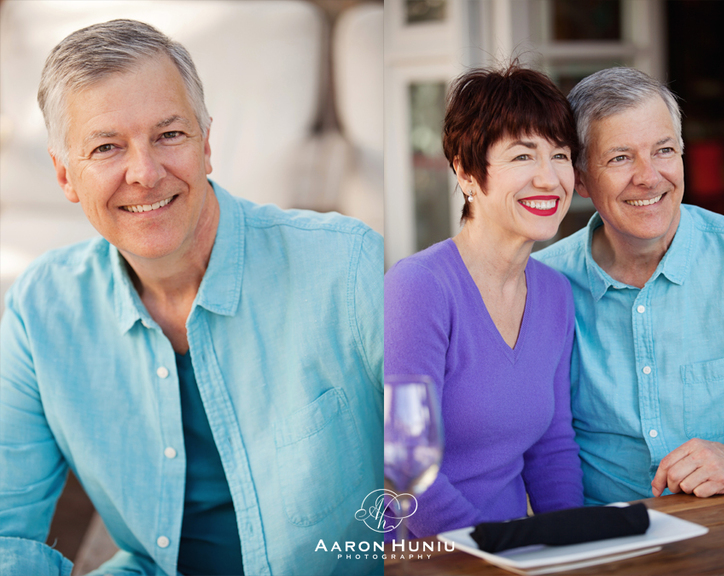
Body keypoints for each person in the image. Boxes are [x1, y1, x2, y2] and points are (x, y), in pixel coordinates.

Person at [0, 20, 383, 576]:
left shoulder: (347, 270)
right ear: (65, 175)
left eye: (169, 135)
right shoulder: (41, 313)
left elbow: (467, 461)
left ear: (206, 145)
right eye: (107, 147)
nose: (145, 173)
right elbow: (8, 533)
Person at [534, 67, 724, 506]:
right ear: (580, 178)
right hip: (602, 551)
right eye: (620, 158)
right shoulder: (540, 286)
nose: (648, 176)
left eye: (663, 150)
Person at [384, 63, 584, 538]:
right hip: (423, 555)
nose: (549, 178)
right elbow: (407, 470)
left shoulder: (555, 294)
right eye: (522, 157)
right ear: (467, 172)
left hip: (511, 552)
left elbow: (552, 448)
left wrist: (574, 546)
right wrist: (493, 555)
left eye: (560, 155)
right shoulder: (419, 288)